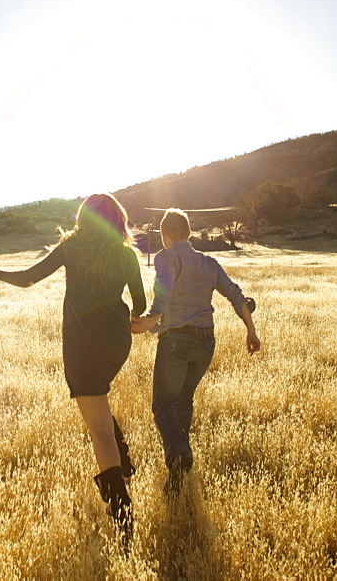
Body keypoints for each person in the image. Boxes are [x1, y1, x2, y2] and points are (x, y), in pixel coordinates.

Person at [0, 193, 145, 547]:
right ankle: (124, 461)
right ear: (118, 219)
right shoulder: (127, 253)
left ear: (84, 217)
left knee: (98, 428)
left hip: (82, 344)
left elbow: (28, 279)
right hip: (116, 343)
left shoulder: (72, 246)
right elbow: (139, 305)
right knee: (98, 402)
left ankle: (122, 514)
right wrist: (129, 316)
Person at [132, 208, 260, 494]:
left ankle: (179, 453)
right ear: (188, 233)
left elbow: (162, 298)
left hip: (177, 341)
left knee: (163, 406)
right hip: (206, 342)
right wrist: (251, 331)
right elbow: (236, 296)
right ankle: (180, 466)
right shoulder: (208, 262)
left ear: (165, 235)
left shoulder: (166, 257)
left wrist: (148, 323)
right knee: (183, 403)